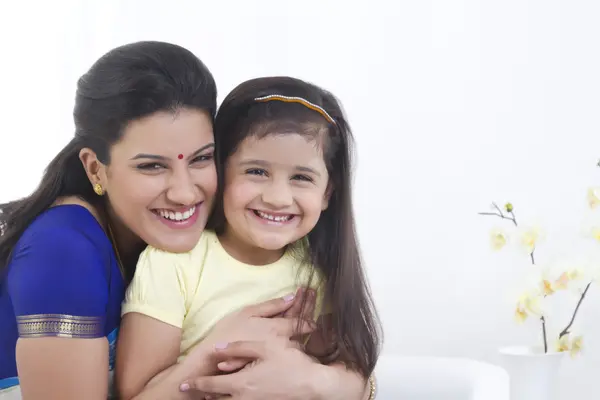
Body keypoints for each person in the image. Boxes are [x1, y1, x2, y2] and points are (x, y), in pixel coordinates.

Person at [116, 76, 382, 400]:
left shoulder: (319, 269)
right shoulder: (174, 263)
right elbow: (135, 395)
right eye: (256, 171)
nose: (277, 197)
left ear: (327, 193)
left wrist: (311, 381)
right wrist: (214, 351)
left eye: (301, 177)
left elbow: (347, 382)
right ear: (220, 172)